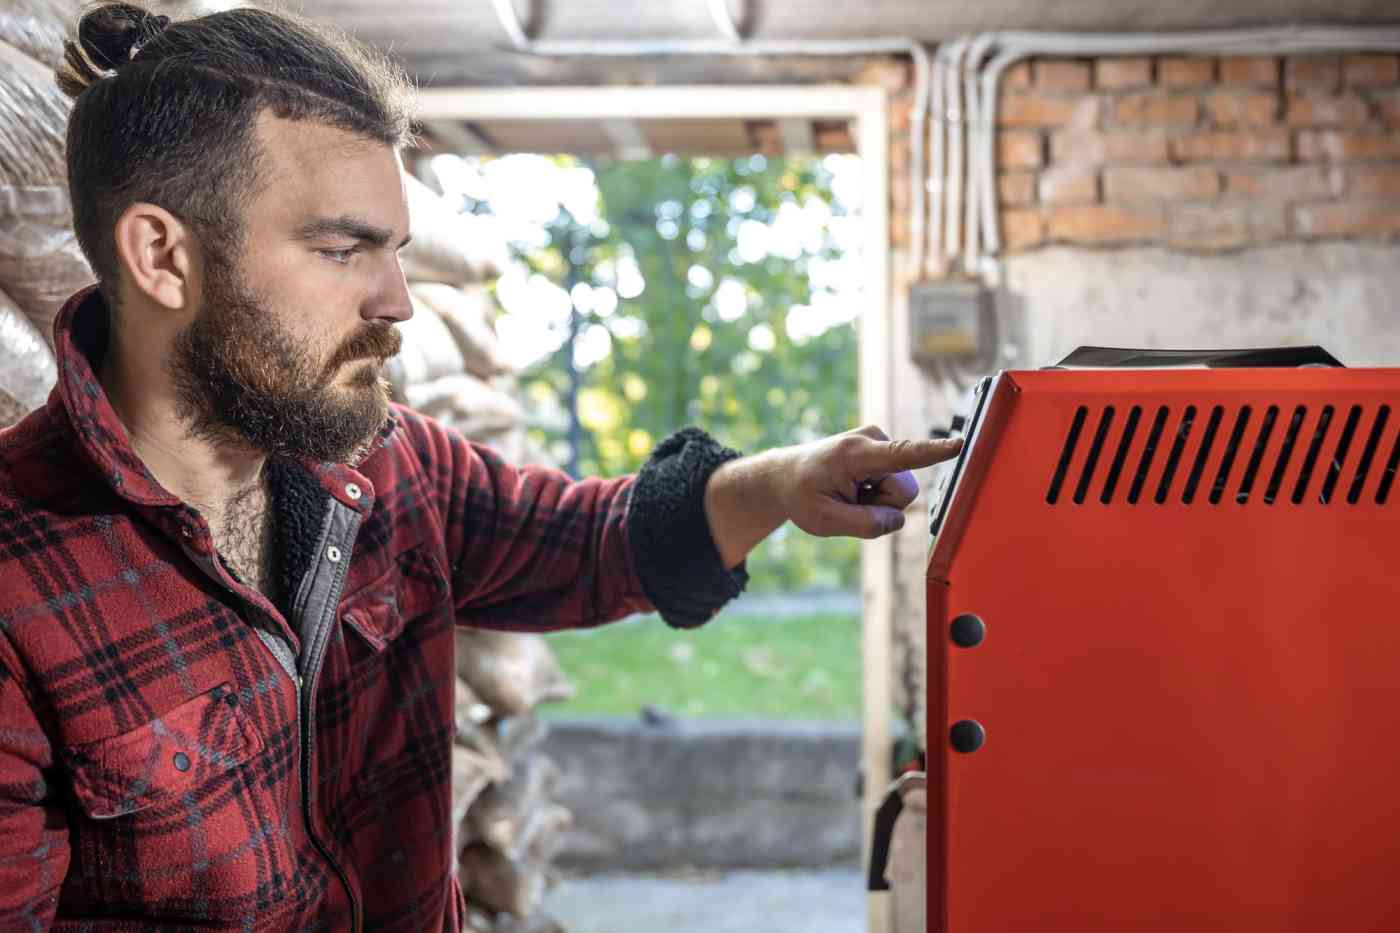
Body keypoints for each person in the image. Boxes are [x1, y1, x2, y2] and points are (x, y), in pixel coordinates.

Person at [0, 4, 962, 930]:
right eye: (344, 249)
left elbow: (596, 543)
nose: (399, 301)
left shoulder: (391, 467)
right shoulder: (17, 585)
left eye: (399, 253)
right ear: (163, 257)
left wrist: (785, 481)